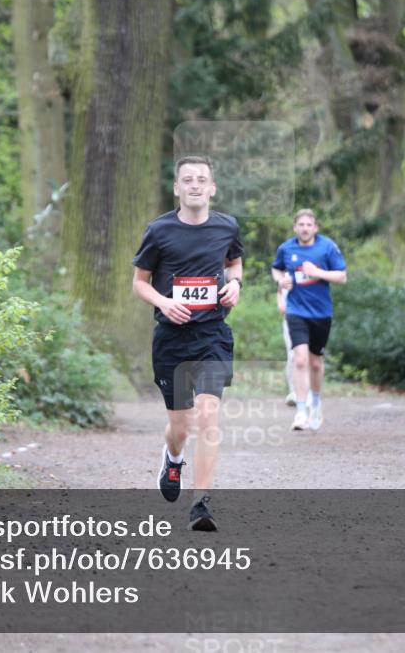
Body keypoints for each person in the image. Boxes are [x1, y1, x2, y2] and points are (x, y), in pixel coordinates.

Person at [132, 155, 243, 531]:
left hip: (212, 334)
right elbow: (139, 282)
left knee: (208, 416)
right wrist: (164, 302)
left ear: (212, 188)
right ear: (177, 188)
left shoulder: (227, 227)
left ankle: (202, 503)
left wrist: (235, 286)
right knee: (180, 427)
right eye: (187, 180)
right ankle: (172, 457)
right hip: (171, 340)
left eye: (202, 179)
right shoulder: (159, 231)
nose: (195, 185)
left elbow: (234, 264)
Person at [271, 209, 347, 431]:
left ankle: (316, 403)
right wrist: (281, 280)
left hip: (321, 313)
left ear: (315, 228)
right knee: (300, 359)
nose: (304, 228)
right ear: (295, 227)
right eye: (301, 224)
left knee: (315, 362)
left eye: (309, 224)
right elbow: (276, 269)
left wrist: (318, 273)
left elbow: (342, 276)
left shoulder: (327, 247)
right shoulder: (286, 248)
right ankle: (301, 411)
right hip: (296, 310)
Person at [277, 286, 297, 406]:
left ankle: (310, 392)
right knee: (293, 355)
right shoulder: (284, 268)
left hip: (313, 315)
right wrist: (280, 302)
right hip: (291, 317)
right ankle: (294, 391)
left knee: (312, 356)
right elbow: (280, 288)